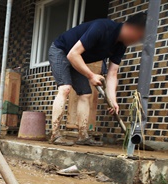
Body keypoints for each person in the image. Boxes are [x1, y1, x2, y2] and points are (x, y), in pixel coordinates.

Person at [48, 12, 147, 146]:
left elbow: (112, 74)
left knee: (86, 94)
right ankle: (55, 134)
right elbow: (73, 54)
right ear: (131, 28)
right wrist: (91, 75)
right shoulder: (102, 27)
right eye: (139, 36)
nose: (138, 41)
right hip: (61, 51)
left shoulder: (120, 46)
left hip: (76, 58)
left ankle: (83, 136)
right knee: (65, 88)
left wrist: (113, 100)